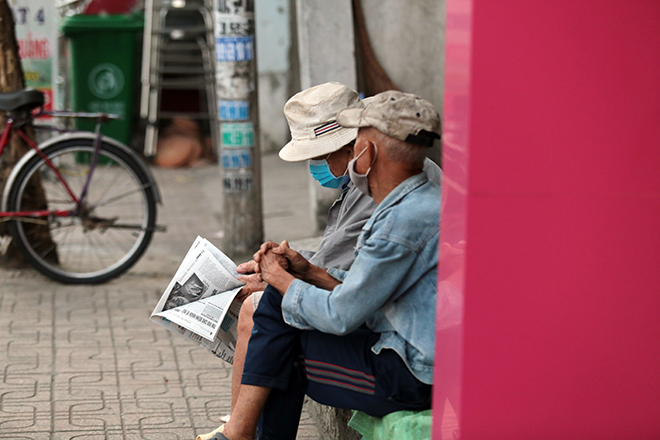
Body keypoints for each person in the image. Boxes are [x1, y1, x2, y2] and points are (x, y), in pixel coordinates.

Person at [205, 90, 442, 440]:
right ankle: (238, 433)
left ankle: (237, 433)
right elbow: (365, 288)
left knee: (278, 330)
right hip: (406, 347)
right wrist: (307, 270)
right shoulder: (410, 201)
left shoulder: (399, 221)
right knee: (276, 310)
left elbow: (342, 315)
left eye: (355, 143)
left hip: (409, 372)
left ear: (366, 152)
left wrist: (281, 281)